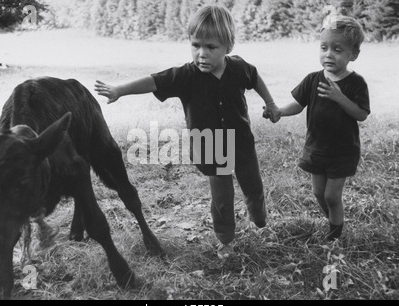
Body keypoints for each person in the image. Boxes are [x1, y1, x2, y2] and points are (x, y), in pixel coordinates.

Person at [95, 5, 279, 259]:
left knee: (254, 189)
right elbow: (154, 81)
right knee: (222, 198)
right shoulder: (186, 75)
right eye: (196, 45)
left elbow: (255, 78)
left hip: (242, 144)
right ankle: (225, 240)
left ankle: (260, 221)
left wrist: (270, 103)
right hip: (211, 147)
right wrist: (120, 90)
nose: (201, 53)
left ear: (228, 46)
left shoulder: (238, 68)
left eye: (211, 47)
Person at [267, 15, 370, 241]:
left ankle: (334, 237)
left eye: (337, 49)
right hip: (316, 147)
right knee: (317, 193)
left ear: (353, 54)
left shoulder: (356, 83)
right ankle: (335, 222)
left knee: (332, 196)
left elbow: (361, 114)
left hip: (342, 151)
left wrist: (340, 98)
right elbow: (298, 104)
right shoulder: (313, 79)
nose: (328, 54)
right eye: (324, 47)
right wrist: (279, 112)